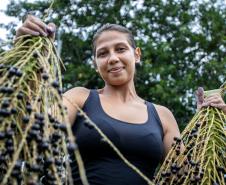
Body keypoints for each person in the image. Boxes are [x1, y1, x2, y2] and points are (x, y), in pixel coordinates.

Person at [16, 15, 226, 185]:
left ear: (137, 55)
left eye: (120, 49)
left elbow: (185, 175)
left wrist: (205, 124)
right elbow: (34, 132)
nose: (113, 58)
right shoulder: (79, 98)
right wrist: (27, 54)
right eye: (103, 53)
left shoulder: (162, 115)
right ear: (95, 63)